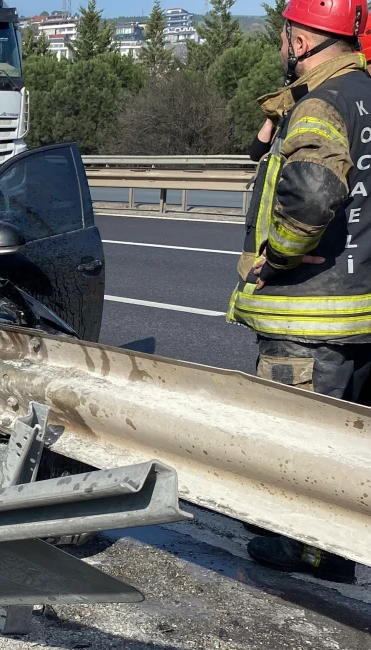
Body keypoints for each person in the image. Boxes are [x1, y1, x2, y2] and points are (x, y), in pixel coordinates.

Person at [226, 0, 371, 583]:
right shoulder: (363, 92)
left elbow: (311, 192)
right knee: (347, 441)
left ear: (303, 37)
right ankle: (337, 542)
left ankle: (308, 548)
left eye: (284, 32)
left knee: (297, 437)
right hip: (359, 310)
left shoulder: (321, 104)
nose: (280, 43)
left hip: (310, 317)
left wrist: (279, 252)